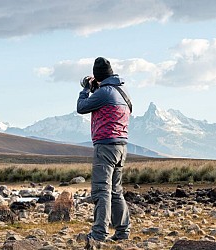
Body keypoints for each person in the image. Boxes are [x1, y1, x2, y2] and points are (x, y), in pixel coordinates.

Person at [77, 57, 131, 248]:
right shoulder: (121, 91)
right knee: (116, 191)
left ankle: (99, 233)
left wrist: (85, 89)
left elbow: (81, 107)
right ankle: (123, 231)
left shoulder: (105, 92)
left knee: (101, 190)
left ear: (98, 77)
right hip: (121, 146)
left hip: (105, 146)